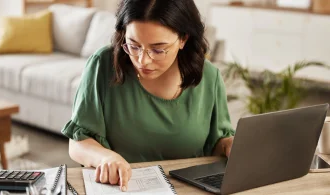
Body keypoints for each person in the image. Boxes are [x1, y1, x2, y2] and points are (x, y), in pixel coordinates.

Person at [61, 0, 235, 192]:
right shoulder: (103, 65)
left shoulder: (209, 77)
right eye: (133, 46)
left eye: (158, 49)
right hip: (122, 189)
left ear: (183, 39)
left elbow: (216, 147)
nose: (143, 60)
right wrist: (105, 157)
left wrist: (229, 145)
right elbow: (77, 143)